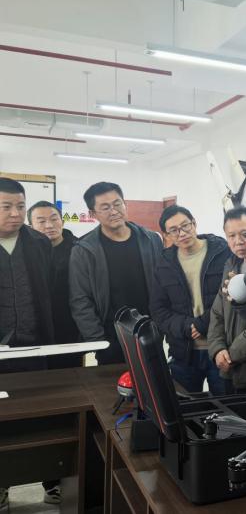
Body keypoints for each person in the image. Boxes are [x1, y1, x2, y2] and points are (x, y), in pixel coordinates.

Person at [0, 180, 59, 507]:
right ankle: (2, 487)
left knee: (45, 419)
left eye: (20, 206)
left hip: (35, 348)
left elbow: (48, 293)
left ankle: (52, 482)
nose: (15, 213)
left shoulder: (38, 243)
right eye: (6, 206)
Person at [69, 182, 162, 365]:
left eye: (117, 204)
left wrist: (161, 326)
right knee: (114, 382)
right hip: (110, 337)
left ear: (125, 204)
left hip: (150, 331)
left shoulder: (150, 240)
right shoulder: (84, 250)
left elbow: (163, 284)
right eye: (105, 207)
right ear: (93, 214)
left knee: (154, 380)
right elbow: (80, 300)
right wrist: (98, 340)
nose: (114, 211)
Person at [150, 205, 230, 395]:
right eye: (174, 230)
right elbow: (158, 309)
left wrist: (204, 323)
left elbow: (230, 297)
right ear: (166, 235)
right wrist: (186, 326)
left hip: (221, 347)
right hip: (183, 352)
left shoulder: (222, 252)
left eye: (185, 226)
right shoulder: (163, 264)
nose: (182, 233)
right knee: (186, 407)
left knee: (225, 407)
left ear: (194, 223)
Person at [208, 207, 246, 397]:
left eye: (245, 234)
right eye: (231, 236)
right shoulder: (231, 266)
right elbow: (217, 312)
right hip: (230, 370)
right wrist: (218, 349)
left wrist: (231, 355)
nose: (238, 241)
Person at [29, 201, 82, 369]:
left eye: (54, 219)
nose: (49, 225)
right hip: (35, 330)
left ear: (62, 221)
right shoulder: (25, 253)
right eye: (41, 221)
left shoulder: (79, 250)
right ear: (30, 226)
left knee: (70, 375)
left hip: (70, 329)